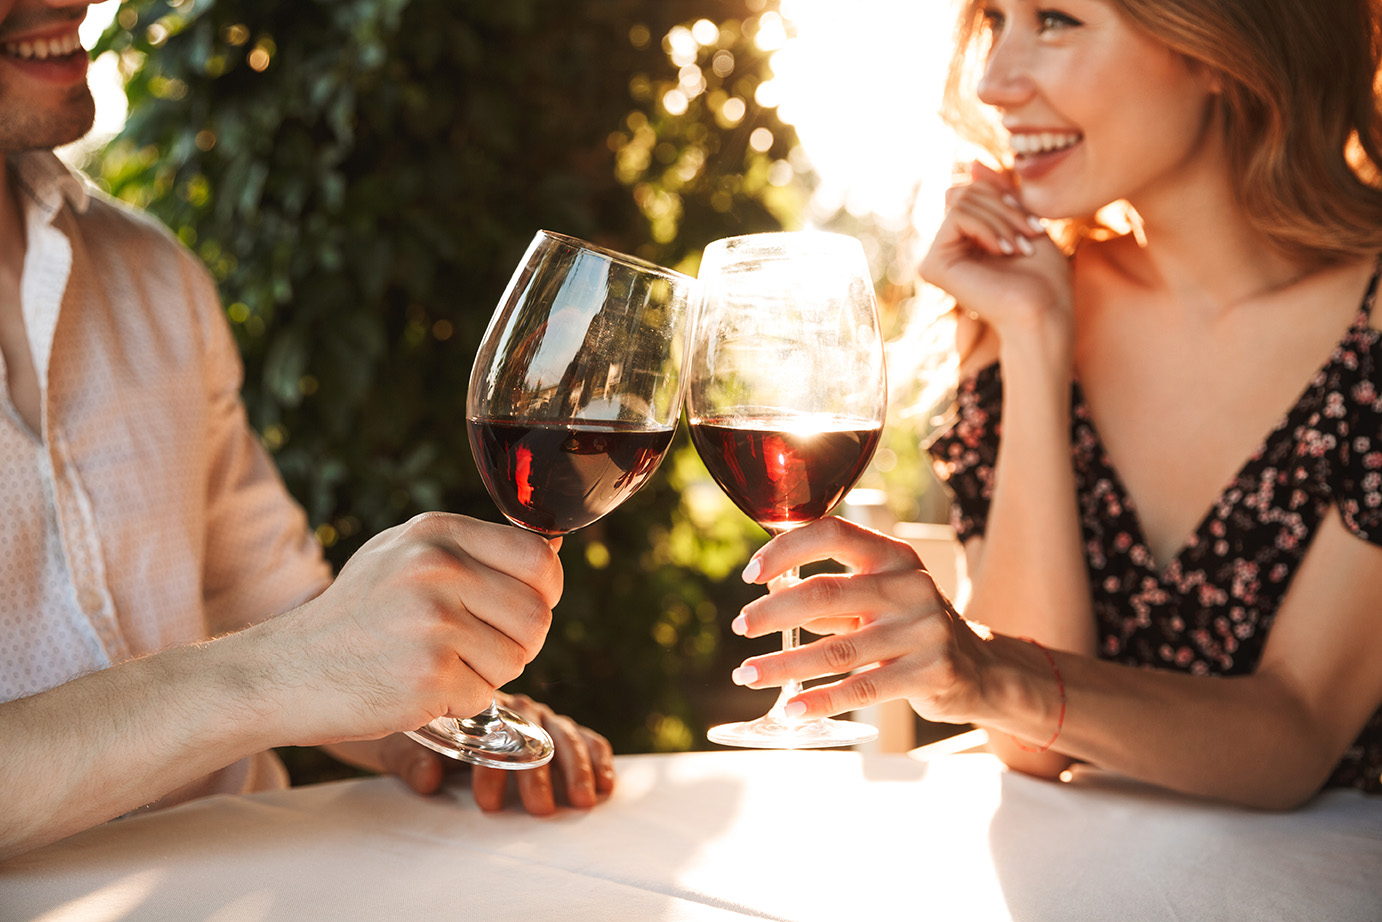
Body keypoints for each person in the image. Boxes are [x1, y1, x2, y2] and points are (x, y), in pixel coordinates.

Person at [724, 0, 1382, 809]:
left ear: (1221, 46)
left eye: (1058, 20)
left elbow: (1298, 733)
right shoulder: (1025, 299)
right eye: (996, 20)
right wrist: (1036, 340)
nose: (994, 84)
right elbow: (1025, 748)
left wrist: (990, 665)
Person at [0, 0, 612, 860]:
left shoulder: (153, 274)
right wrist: (278, 672)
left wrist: (417, 713)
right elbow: (288, 657)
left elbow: (268, 601)